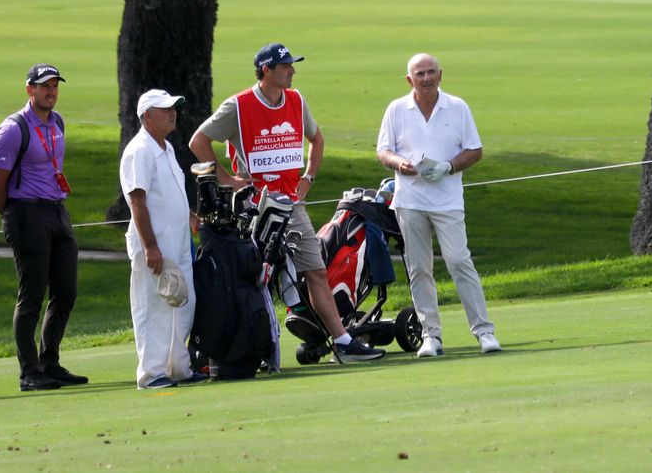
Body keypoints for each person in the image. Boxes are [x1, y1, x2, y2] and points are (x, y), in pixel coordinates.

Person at [189, 42, 384, 364]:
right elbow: (198, 141)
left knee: (315, 271)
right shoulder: (238, 106)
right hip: (253, 208)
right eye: (285, 66)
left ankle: (343, 342)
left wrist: (309, 177)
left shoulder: (296, 100)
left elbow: (316, 139)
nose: (292, 71)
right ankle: (253, 345)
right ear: (266, 70)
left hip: (292, 205)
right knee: (255, 276)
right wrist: (228, 180)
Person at [376, 52, 500, 357]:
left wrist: (449, 167)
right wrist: (399, 163)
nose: (427, 78)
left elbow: (475, 150)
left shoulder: (457, 107)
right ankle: (431, 336)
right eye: (420, 74)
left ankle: (484, 331)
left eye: (431, 72)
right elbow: (383, 151)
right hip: (410, 201)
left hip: (448, 201)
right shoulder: (396, 109)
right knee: (419, 269)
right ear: (410, 80)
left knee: (459, 261)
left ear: (440, 75)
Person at [0, 62, 86, 391]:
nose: (51, 92)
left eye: (55, 86)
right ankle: (29, 371)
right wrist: (11, 214)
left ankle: (49, 362)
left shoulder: (57, 122)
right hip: (26, 213)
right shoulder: (13, 129)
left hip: (57, 210)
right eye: (45, 86)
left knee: (66, 291)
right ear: (30, 89)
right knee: (31, 295)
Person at [120, 88, 206, 390]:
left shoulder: (166, 147)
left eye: (174, 108)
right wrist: (150, 246)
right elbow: (137, 201)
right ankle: (151, 373)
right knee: (153, 306)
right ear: (147, 116)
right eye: (166, 109)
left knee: (183, 301)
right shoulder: (139, 150)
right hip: (154, 243)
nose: (173, 113)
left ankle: (178, 368)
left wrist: (190, 216)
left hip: (178, 241)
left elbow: (170, 192)